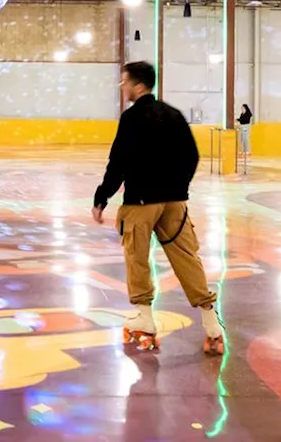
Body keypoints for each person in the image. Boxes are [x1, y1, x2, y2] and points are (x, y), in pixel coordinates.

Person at [92, 61, 225, 354]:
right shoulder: (173, 115)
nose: (123, 88)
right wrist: (179, 187)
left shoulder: (131, 118)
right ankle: (212, 325)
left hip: (141, 202)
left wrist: (102, 198)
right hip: (175, 202)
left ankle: (146, 319)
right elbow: (192, 155)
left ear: (138, 85)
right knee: (187, 258)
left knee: (137, 258)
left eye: (125, 82)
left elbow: (119, 162)